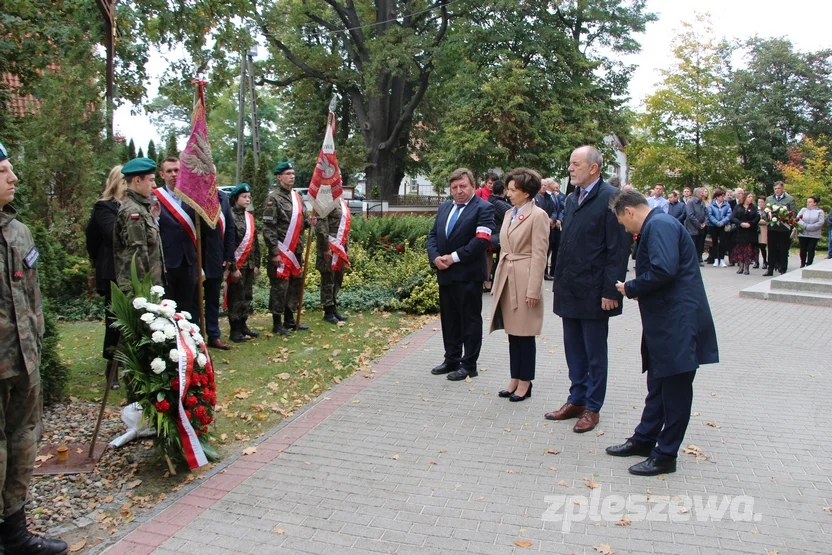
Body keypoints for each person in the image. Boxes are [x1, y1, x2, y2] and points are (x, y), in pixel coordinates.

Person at [607, 190, 718, 476]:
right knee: (658, 384)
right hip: (666, 322)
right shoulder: (659, 224)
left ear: (629, 212)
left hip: (677, 323)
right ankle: (645, 438)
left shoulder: (660, 226)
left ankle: (666, 455)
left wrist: (630, 288)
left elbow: (663, 270)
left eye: (621, 221)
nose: (623, 227)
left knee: (676, 390)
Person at [0, 141, 69, 554]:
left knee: (24, 440)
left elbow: (33, 294)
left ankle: (14, 533)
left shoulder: (18, 230)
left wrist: (36, 343)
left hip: (24, 361)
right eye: (4, 171)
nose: (14, 178)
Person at [545, 146, 630, 433]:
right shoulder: (571, 199)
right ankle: (576, 399)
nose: (570, 168)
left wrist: (611, 291)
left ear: (593, 168)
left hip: (596, 292)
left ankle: (592, 408)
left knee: (595, 353)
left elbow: (618, 250)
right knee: (574, 350)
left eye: (575, 163)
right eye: (569, 163)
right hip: (570, 288)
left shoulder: (610, 198)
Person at [427, 167, 495, 382]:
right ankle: (452, 359)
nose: (458, 191)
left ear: (473, 186)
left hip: (468, 274)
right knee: (450, 319)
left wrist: (454, 257)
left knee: (470, 321)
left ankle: (469, 364)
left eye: (463, 186)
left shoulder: (484, 208)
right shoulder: (445, 206)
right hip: (445, 274)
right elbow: (432, 235)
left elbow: (482, 240)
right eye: (454, 187)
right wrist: (435, 257)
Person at [490, 168, 549, 402]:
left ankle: (526, 381)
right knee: (513, 333)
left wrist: (534, 288)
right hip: (508, 276)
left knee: (525, 333)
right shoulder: (509, 214)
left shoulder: (538, 216)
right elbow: (504, 247)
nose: (509, 193)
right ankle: (515, 377)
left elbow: (540, 254)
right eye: (509, 189)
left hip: (524, 279)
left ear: (527, 192)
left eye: (514, 190)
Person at [85, 165, 125, 390]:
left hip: (133, 270)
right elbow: (107, 236)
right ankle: (112, 367)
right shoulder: (104, 207)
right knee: (114, 321)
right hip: (113, 271)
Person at [262, 162, 314, 335]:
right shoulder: (273, 198)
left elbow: (300, 224)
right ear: (279, 177)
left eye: (293, 173)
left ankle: (290, 320)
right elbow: (269, 227)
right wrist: (274, 252)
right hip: (281, 251)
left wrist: (309, 223)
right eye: (287, 173)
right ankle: (277, 323)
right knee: (280, 286)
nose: (292, 176)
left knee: (294, 285)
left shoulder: (297, 197)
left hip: (296, 250)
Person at [153, 156, 198, 315]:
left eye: (177, 170)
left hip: (189, 260)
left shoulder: (192, 197)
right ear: (162, 174)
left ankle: (187, 338)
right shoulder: (154, 197)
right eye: (169, 171)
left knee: (187, 306)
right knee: (167, 307)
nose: (173, 174)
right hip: (167, 261)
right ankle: (171, 339)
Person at [113, 157, 164, 292]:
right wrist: (146, 293)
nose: (154, 185)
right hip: (141, 289)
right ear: (137, 180)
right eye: (151, 180)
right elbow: (138, 256)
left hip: (150, 286)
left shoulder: (142, 207)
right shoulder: (133, 212)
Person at [197, 188, 236, 350]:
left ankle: (214, 335)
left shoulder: (222, 197)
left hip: (215, 256)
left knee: (213, 299)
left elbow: (230, 227)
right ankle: (196, 337)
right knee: (194, 300)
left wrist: (228, 256)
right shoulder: (192, 194)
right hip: (195, 256)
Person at [225, 183, 260, 343]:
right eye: (244, 197)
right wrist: (233, 267)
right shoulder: (229, 217)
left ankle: (243, 325)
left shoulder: (250, 217)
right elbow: (228, 244)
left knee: (247, 296)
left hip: (250, 265)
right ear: (235, 199)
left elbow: (255, 243)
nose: (247, 199)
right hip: (238, 266)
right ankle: (235, 330)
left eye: (249, 197)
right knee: (236, 297)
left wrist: (257, 263)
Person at [317, 195, 350, 324]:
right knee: (328, 279)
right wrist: (325, 247)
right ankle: (328, 311)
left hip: (339, 247)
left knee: (337, 278)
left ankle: (334, 307)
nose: (339, 180)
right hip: (329, 247)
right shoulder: (325, 199)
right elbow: (321, 226)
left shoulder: (340, 200)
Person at [764, 181, 797, 276]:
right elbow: (765, 212)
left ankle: (783, 269)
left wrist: (785, 214)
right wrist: (767, 215)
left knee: (783, 250)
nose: (777, 190)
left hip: (784, 228)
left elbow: (793, 213)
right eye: (775, 189)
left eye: (778, 188)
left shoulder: (790, 199)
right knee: (771, 249)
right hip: (772, 228)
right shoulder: (769, 199)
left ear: (782, 188)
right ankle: (770, 268)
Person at [487, 180, 512, 284]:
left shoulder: (494, 201)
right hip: (498, 235)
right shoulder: (498, 203)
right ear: (503, 190)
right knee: (498, 260)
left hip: (495, 234)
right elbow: (509, 216)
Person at [730, 192, 760, 275]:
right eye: (749, 197)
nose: (751, 198)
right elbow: (732, 217)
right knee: (740, 249)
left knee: (748, 250)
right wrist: (740, 223)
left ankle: (747, 268)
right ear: (745, 198)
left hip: (750, 231)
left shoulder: (754, 207)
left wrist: (750, 223)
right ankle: (741, 266)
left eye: (751, 197)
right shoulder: (738, 207)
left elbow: (757, 217)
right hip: (740, 231)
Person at [796, 196, 825, 267]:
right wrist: (805, 225)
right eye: (807, 202)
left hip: (814, 234)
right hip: (803, 233)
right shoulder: (803, 210)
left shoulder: (819, 211)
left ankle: (809, 263)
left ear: (815, 203)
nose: (808, 203)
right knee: (803, 249)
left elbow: (821, 222)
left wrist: (810, 227)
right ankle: (802, 263)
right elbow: (798, 219)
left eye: (810, 202)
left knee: (810, 249)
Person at [544, 178, 563, 281]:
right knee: (546, 249)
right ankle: (545, 271)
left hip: (555, 225)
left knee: (555, 248)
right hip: (548, 225)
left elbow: (558, 209)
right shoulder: (546, 197)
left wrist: (557, 219)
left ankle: (553, 271)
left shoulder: (556, 196)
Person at [707, 189, 732, 267]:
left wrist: (722, 222)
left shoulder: (727, 204)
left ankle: (721, 259)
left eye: (723, 196)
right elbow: (710, 215)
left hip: (722, 226)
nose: (722, 198)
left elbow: (729, 215)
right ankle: (715, 259)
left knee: (723, 243)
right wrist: (716, 222)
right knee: (714, 243)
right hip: (713, 226)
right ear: (717, 197)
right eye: (721, 196)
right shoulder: (711, 205)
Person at [685, 187, 708, 266]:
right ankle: (692, 262)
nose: (703, 194)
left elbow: (706, 214)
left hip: (702, 228)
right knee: (693, 245)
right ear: (697, 193)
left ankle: (698, 260)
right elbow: (690, 215)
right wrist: (698, 225)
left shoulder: (702, 202)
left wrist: (705, 223)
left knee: (700, 245)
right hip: (693, 228)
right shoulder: (690, 202)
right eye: (702, 193)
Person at [756, 196, 769, 269]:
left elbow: (768, 220)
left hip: (763, 229)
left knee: (762, 246)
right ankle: (756, 261)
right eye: (759, 202)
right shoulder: (756, 210)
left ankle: (765, 261)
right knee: (755, 246)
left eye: (762, 202)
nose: (760, 203)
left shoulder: (767, 211)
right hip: (756, 229)